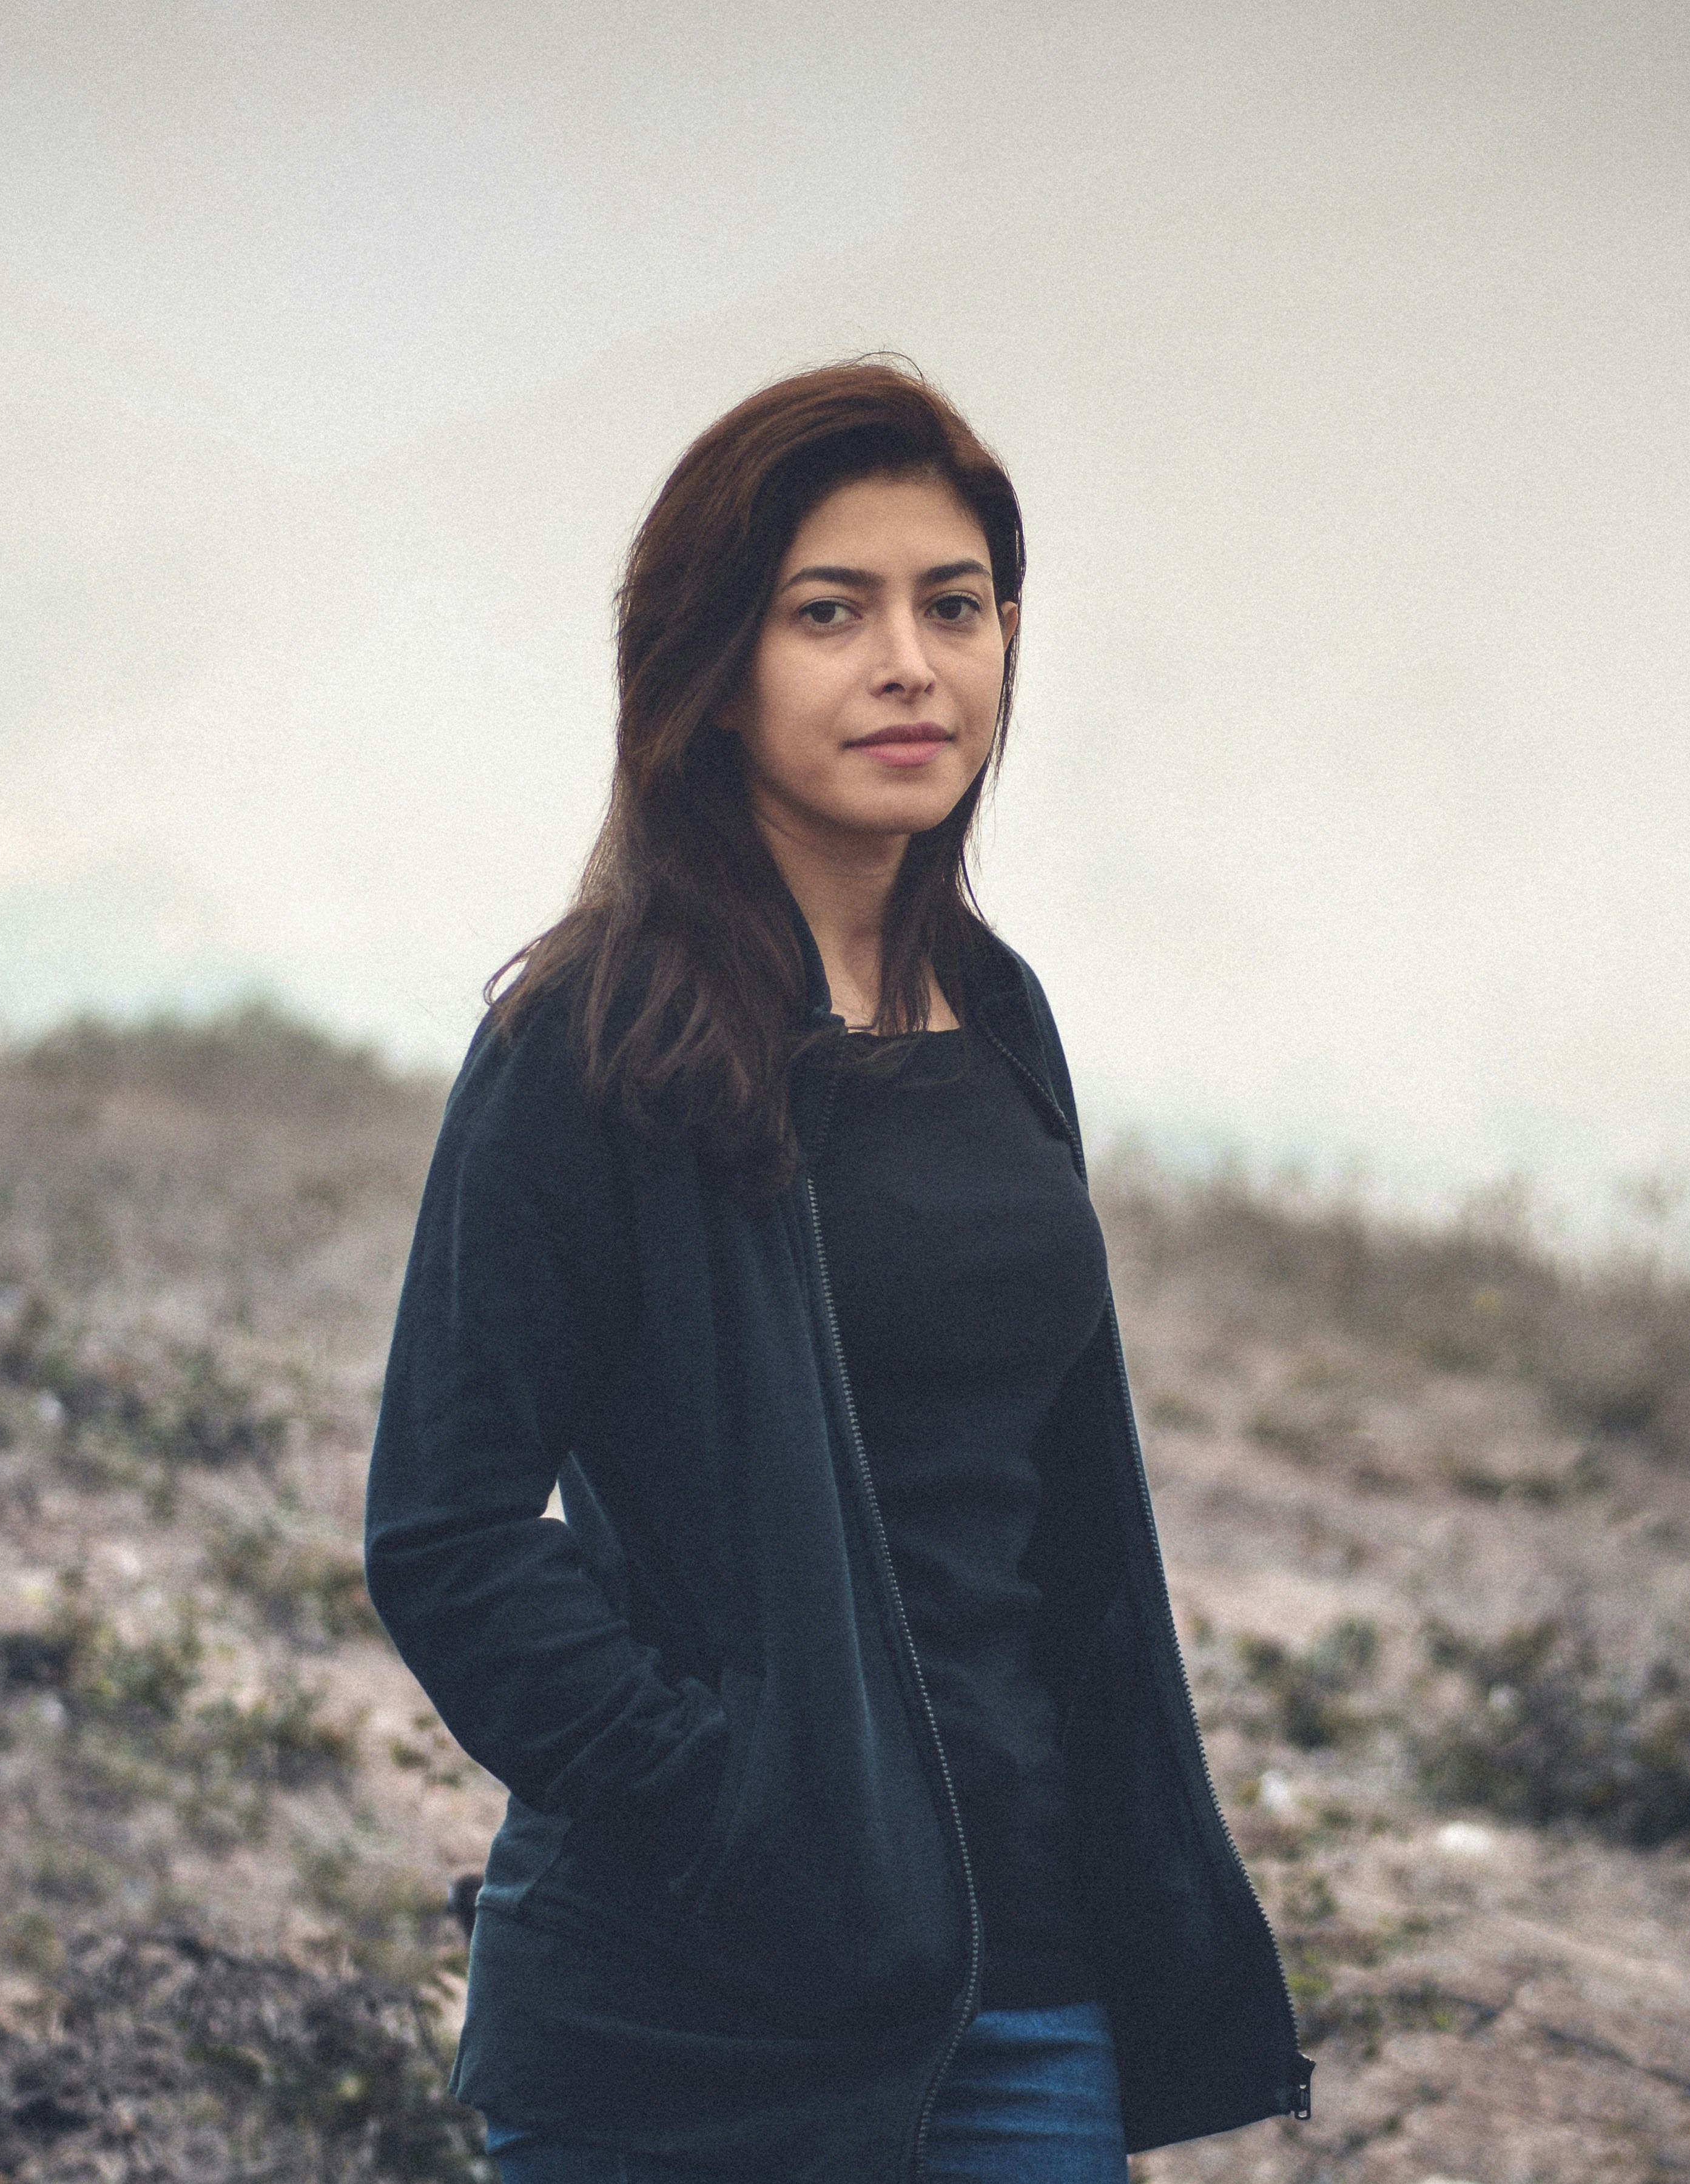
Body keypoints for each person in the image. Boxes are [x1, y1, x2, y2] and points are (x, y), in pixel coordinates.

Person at [365, 359, 1309, 2184]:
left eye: (952, 607)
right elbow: (446, 1531)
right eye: (831, 612)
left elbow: (1039, 1520)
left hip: (1027, 1982)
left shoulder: (1002, 1008)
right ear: (714, 668)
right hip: (695, 2005)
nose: (909, 661)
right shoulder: (590, 1039)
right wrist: (732, 1804)